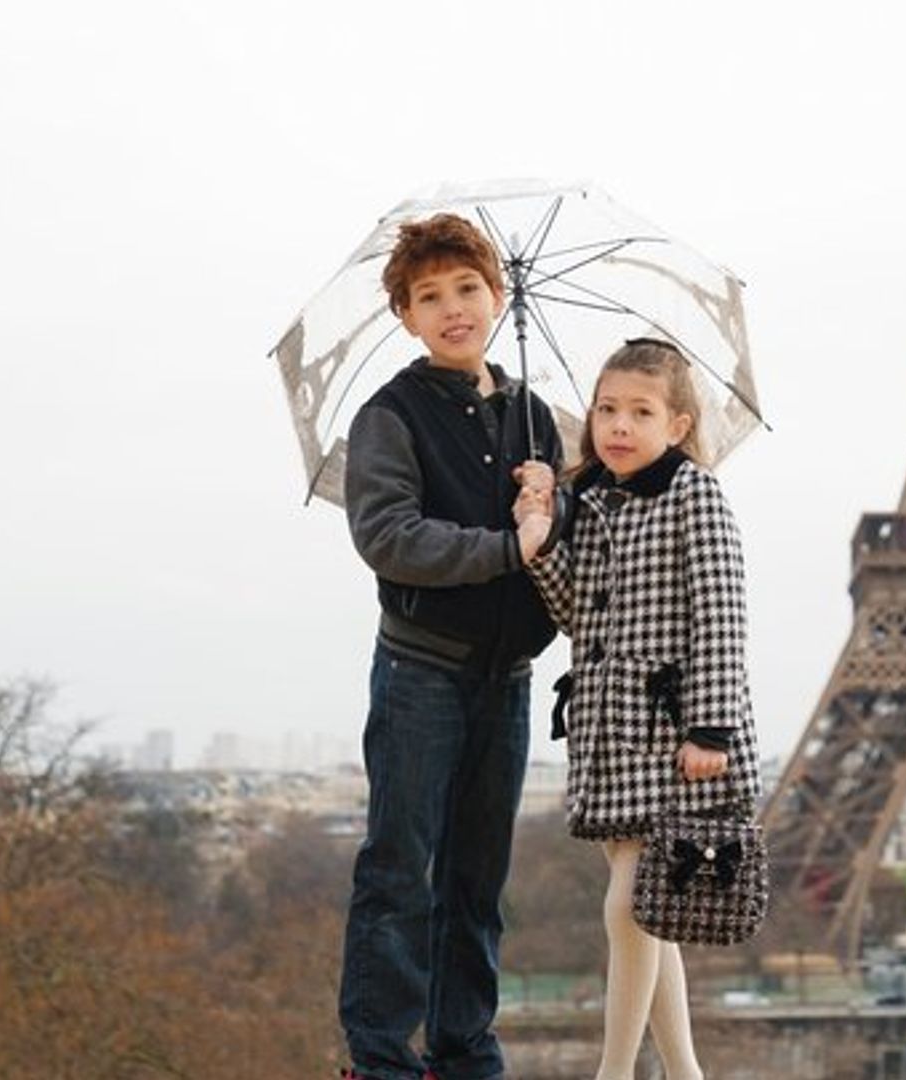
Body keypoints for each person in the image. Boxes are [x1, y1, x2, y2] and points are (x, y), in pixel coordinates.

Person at [337, 212, 563, 1080]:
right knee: (399, 873)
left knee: (476, 881)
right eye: (429, 296)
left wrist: (555, 497)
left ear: (498, 297)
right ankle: (382, 1059)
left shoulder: (535, 416)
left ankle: (466, 1052)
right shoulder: (389, 416)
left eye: (467, 288)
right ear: (407, 317)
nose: (453, 308)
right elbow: (390, 537)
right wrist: (506, 548)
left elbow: (562, 546)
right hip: (421, 672)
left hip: (506, 678)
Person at [515, 338, 762, 1080]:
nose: (618, 426)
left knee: (630, 906)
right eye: (606, 410)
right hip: (607, 731)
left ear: (678, 426)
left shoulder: (696, 494)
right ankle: (685, 1073)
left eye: (640, 412)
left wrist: (710, 727)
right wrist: (538, 539)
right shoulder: (589, 503)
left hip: (674, 734)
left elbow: (721, 610)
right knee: (651, 904)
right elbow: (574, 616)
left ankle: (614, 1072)